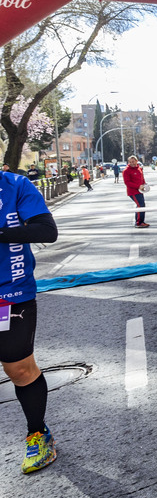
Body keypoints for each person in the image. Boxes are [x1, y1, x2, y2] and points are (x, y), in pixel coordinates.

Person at [0, 167, 61, 473]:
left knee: (20, 369)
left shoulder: (14, 186)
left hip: (10, 293)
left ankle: (38, 434)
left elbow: (47, 231)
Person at [122, 156, 150, 228]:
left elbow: (142, 178)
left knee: (142, 205)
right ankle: (138, 222)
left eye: (133, 161)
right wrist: (138, 186)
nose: (132, 163)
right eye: (130, 162)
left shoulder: (139, 169)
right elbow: (127, 182)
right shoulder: (126, 171)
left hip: (140, 190)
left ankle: (141, 221)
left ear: (136, 161)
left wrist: (144, 185)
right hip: (133, 191)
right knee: (140, 205)